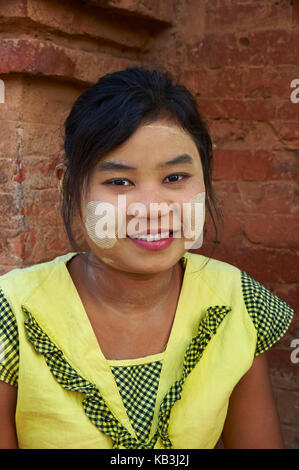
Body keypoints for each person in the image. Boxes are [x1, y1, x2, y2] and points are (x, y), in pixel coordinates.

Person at [0, 66, 294, 449]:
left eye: (175, 178)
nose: (153, 208)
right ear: (69, 188)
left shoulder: (235, 302)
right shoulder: (13, 311)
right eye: (119, 182)